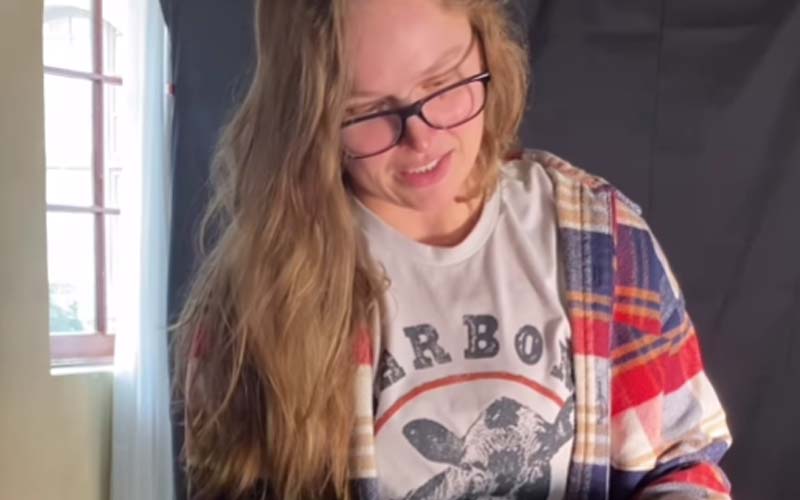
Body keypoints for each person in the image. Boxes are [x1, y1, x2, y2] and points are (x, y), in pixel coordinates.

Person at [175, 0, 732, 499]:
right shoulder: (256, 298)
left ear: (486, 46)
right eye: (366, 111)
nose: (421, 138)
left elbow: (684, 460)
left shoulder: (603, 242)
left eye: (442, 84)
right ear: (309, 116)